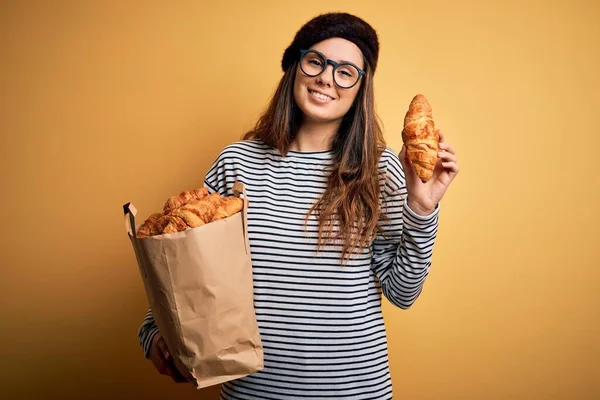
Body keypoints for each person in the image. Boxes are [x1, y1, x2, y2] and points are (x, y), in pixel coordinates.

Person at [137, 12, 459, 399]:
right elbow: (185, 262)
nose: (327, 78)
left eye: (346, 72)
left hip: (355, 390)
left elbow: (401, 293)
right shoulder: (237, 163)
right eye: (316, 61)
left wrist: (422, 210)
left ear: (361, 88)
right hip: (254, 391)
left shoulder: (382, 168)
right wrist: (153, 332)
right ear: (295, 68)